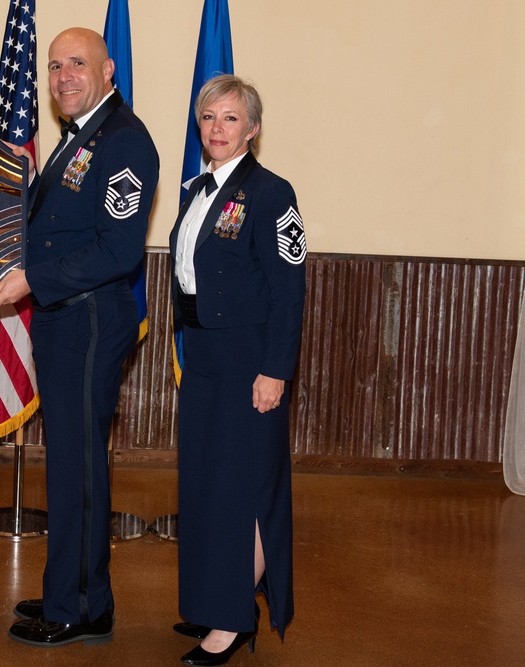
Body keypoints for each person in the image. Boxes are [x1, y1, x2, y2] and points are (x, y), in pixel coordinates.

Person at [0, 27, 159, 647]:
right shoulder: (77, 140)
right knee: (69, 463)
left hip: (87, 318)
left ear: (108, 69)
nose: (62, 77)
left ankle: (81, 607)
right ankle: (72, 590)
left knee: (79, 466)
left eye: (77, 64)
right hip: (65, 317)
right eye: (54, 67)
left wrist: (30, 279)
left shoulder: (124, 141)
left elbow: (118, 249)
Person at [169, 74, 306, 666]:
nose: (216, 129)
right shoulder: (198, 189)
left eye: (229, 118)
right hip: (202, 357)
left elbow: (288, 289)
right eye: (208, 117)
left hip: (249, 361)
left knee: (244, 488)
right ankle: (210, 600)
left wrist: (275, 370)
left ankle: (232, 619)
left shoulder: (273, 192)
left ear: (252, 129)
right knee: (205, 486)